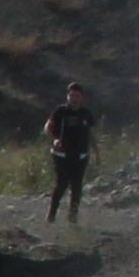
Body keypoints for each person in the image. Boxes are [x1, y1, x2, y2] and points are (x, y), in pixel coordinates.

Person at [40, 79, 96, 230]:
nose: (74, 98)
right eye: (71, 95)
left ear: (82, 97)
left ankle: (72, 218)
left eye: (77, 96)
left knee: (77, 187)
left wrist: (97, 153)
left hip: (81, 155)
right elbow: (48, 126)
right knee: (62, 183)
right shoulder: (60, 111)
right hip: (61, 155)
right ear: (67, 96)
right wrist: (55, 139)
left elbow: (91, 134)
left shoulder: (86, 114)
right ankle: (51, 216)